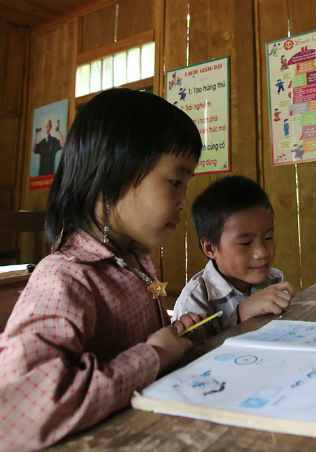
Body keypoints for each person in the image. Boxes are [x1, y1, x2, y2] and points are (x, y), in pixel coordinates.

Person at [0, 88, 207, 451]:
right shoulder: (66, 276)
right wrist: (153, 356)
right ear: (111, 177)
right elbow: (15, 412)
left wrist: (173, 338)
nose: (183, 202)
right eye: (176, 182)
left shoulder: (135, 259)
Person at [172, 175, 294, 337]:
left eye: (268, 238)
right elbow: (195, 356)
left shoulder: (272, 278)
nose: (262, 253)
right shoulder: (195, 299)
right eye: (245, 243)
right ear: (210, 248)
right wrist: (240, 316)